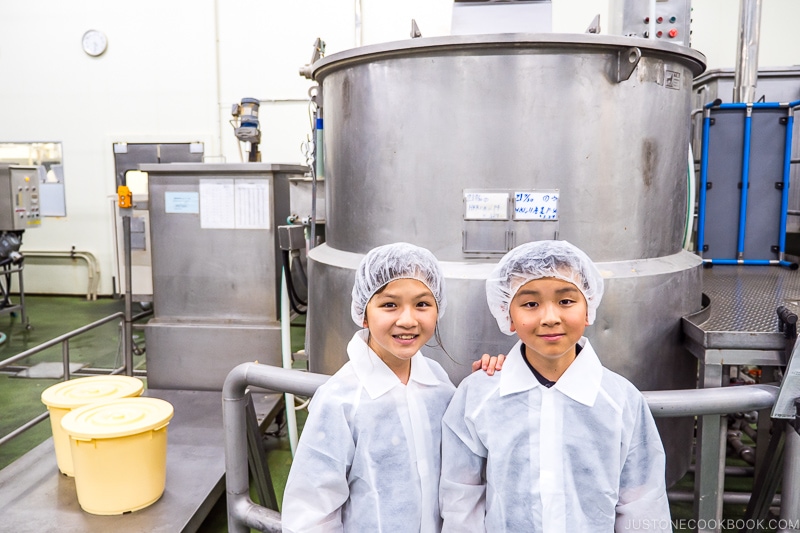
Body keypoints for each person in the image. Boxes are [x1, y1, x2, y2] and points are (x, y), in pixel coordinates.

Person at [439, 240, 671, 532]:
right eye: (530, 304)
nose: (550, 318)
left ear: (588, 309)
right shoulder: (479, 395)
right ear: (508, 315)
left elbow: (642, 502)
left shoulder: (620, 400)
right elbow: (462, 495)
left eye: (565, 301)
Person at [282, 242, 502, 533]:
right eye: (389, 305)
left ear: (438, 309)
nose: (408, 320)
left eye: (422, 304)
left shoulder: (438, 384)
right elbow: (311, 512)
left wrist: (490, 381)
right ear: (363, 312)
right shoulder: (341, 400)